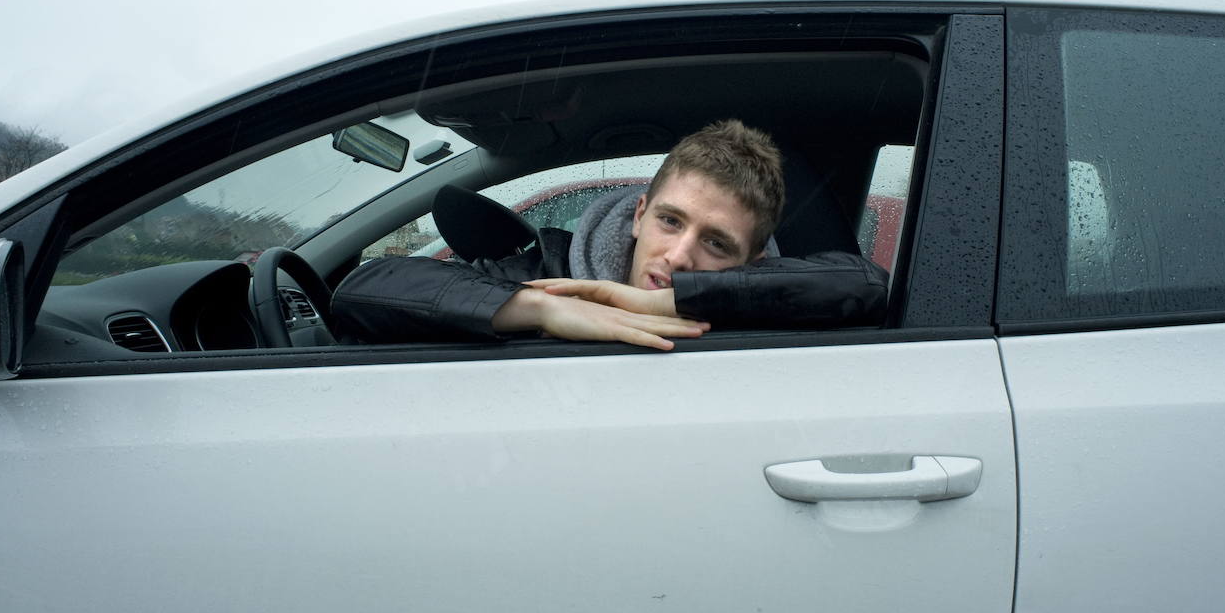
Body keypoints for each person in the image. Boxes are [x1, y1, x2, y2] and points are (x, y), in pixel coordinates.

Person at [331, 120, 889, 350]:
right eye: (671, 221)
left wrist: (674, 300)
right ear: (640, 213)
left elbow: (867, 285)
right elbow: (366, 287)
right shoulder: (550, 268)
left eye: (716, 243)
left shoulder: (771, 303)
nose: (678, 254)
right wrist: (541, 310)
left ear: (754, 258)